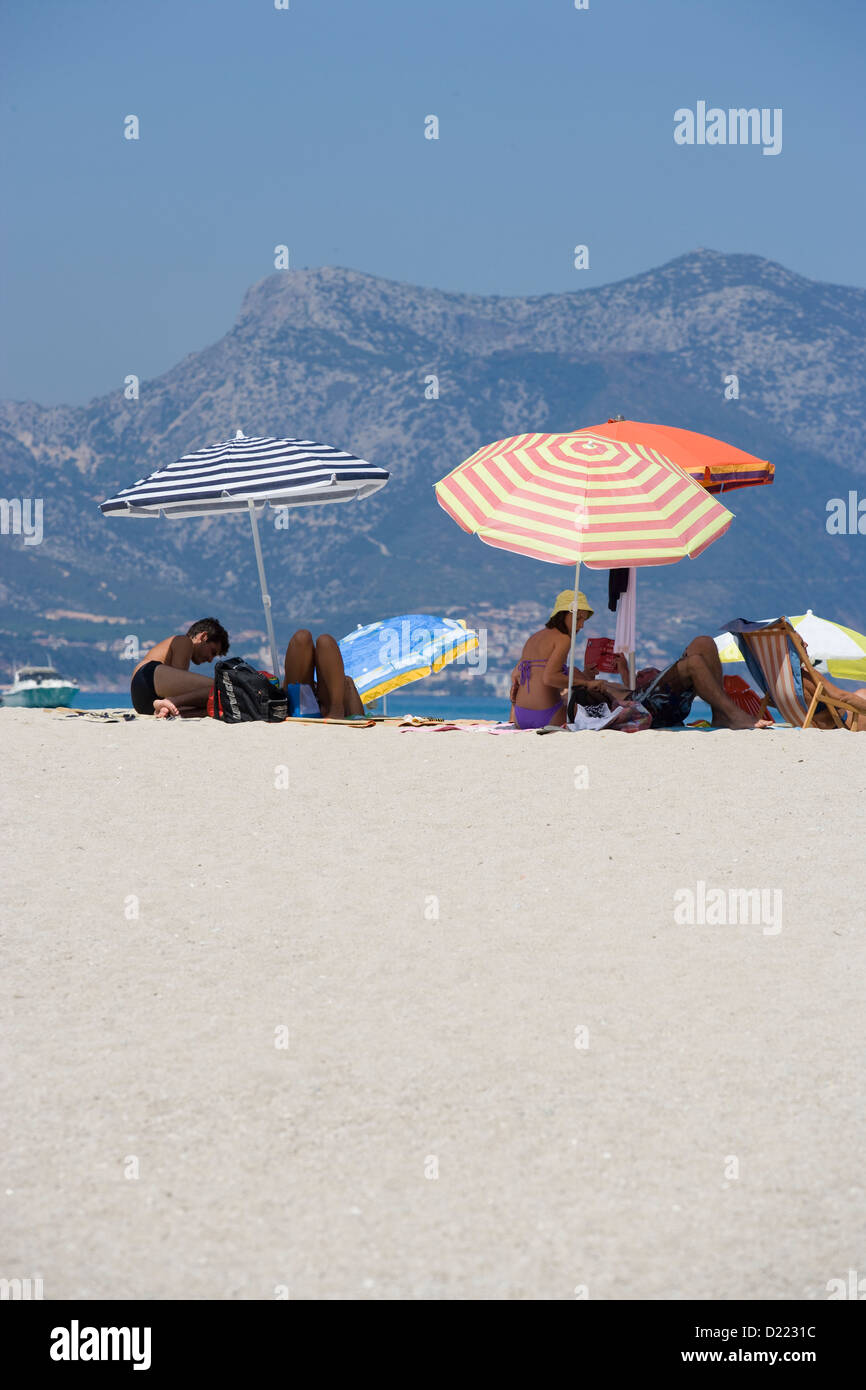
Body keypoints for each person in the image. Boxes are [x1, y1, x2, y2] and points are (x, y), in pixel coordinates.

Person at [582, 635, 775, 730]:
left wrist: (624, 671)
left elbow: (630, 690)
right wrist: (587, 681)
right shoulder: (588, 688)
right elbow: (627, 701)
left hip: (652, 698)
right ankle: (735, 715)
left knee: (704, 642)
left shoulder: (603, 684)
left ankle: (721, 715)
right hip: (646, 708)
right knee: (694, 662)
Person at [509, 590, 625, 729]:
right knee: (593, 707)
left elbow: (515, 675)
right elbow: (549, 678)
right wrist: (587, 684)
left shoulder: (534, 638)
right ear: (563, 614)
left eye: (584, 619)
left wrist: (586, 676)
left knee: (573, 673)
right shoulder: (563, 639)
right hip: (547, 716)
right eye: (577, 618)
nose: (581, 625)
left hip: (520, 717)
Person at [130, 617, 229, 718]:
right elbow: (178, 689)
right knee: (222, 688)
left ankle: (168, 709)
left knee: (214, 707)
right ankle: (171, 702)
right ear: (203, 636)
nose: (210, 660)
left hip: (144, 702)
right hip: (147, 676)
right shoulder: (184, 641)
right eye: (212, 652)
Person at [283, 629, 364, 718]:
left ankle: (335, 707)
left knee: (308, 638)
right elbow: (358, 717)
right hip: (328, 705)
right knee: (322, 641)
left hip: (301, 702)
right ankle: (336, 708)